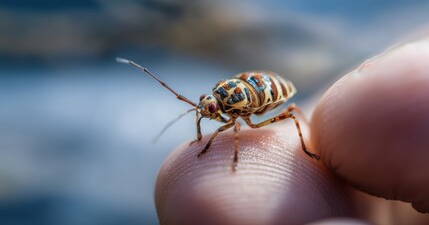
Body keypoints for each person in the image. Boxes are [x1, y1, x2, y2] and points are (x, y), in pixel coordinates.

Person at [154, 37, 429, 225]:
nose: (204, 109)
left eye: (209, 107)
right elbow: (207, 113)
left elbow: (235, 126)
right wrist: (201, 135)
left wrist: (210, 143)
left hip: (267, 93)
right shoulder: (215, 100)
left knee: (292, 112)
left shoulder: (235, 115)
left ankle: (309, 144)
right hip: (256, 81)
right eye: (207, 106)